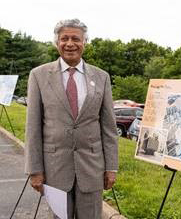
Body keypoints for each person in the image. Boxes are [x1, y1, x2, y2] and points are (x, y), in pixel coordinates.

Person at [24, 19, 118, 219]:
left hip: (92, 168)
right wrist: (34, 170)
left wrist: (111, 168)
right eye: (64, 38)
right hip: (55, 169)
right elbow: (32, 128)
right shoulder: (38, 75)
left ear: (85, 42)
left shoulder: (102, 77)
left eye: (76, 38)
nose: (70, 43)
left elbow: (109, 128)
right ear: (56, 42)